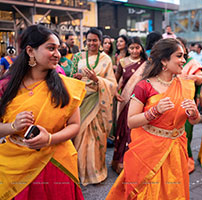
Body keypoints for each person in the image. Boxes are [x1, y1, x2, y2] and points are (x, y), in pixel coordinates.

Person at [106, 38, 201, 199]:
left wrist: (195, 114)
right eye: (179, 56)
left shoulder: (185, 85)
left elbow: (193, 121)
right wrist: (154, 111)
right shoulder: (145, 86)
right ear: (164, 60)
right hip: (150, 150)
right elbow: (131, 121)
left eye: (184, 56)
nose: (184, 60)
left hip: (176, 151)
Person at [0, 24, 86, 199]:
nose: (57, 54)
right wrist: (13, 126)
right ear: (31, 51)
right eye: (51, 48)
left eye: (58, 48)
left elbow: (75, 125)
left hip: (56, 163)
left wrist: (49, 139)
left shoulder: (65, 85)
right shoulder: (6, 86)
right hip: (14, 165)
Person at [71, 28, 117, 185]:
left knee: (95, 138)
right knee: (79, 136)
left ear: (100, 42)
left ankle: (95, 172)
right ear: (85, 41)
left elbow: (112, 84)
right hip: (81, 101)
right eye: (89, 40)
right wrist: (77, 77)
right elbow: (70, 79)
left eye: (95, 40)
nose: (91, 43)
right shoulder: (77, 57)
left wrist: (96, 79)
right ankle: (79, 171)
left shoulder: (106, 59)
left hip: (98, 101)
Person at [111, 37, 148, 174]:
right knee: (123, 130)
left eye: (137, 47)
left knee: (134, 131)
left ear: (141, 48)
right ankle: (119, 162)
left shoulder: (146, 64)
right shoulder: (123, 62)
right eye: (132, 48)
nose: (134, 51)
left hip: (139, 101)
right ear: (128, 49)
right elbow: (115, 79)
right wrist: (114, 92)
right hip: (125, 100)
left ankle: (133, 162)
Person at [177, 37, 202, 173]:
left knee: (186, 133)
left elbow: (201, 78)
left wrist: (193, 78)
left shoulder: (191, 63)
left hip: (186, 102)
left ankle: (187, 161)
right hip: (171, 102)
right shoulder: (168, 61)